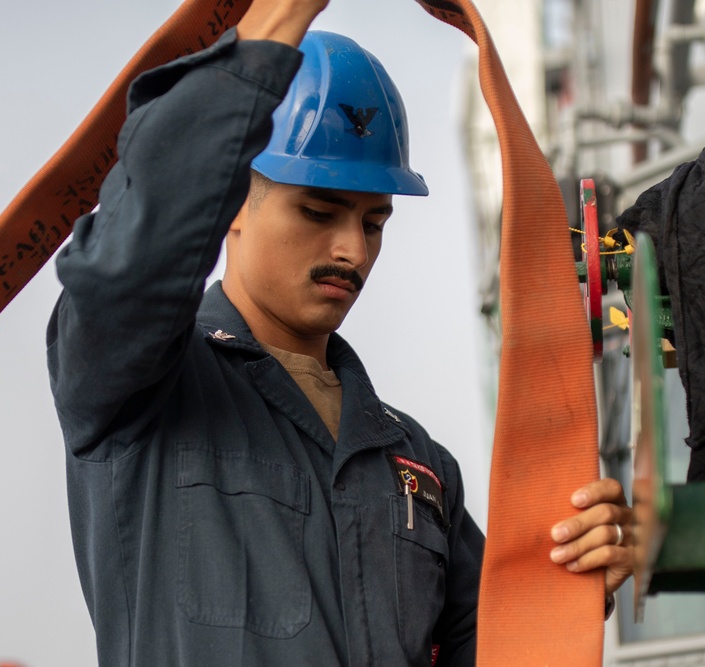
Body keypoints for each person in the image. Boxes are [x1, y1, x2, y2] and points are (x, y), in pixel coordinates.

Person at [46, 1, 633, 665]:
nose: (353, 250)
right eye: (319, 209)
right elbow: (126, 260)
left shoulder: (418, 466)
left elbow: (496, 650)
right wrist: (276, 23)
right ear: (230, 199)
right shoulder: (140, 389)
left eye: (374, 222)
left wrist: (572, 583)